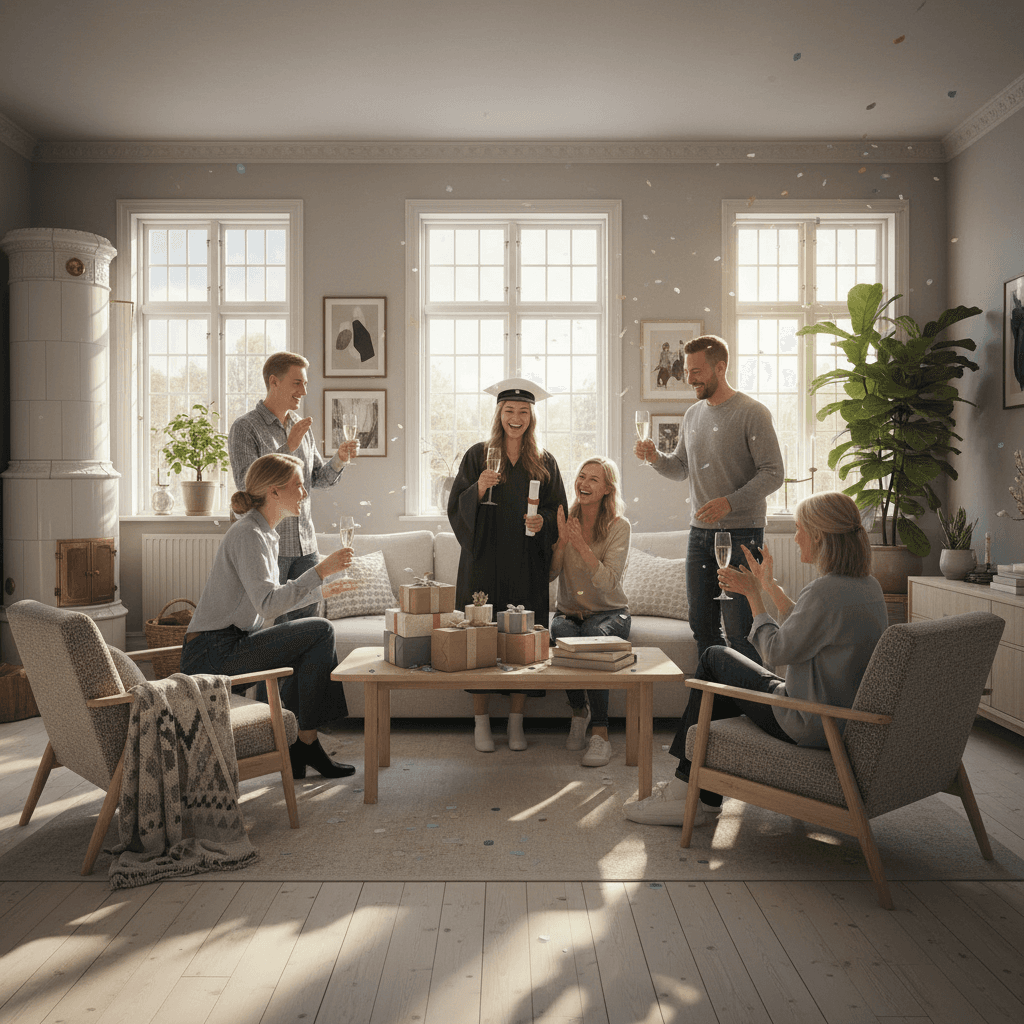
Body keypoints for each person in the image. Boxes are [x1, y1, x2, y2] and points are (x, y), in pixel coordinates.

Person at [623, 491, 888, 827]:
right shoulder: (867, 587)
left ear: (819, 537)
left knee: (714, 657)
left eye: (799, 529)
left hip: (808, 720)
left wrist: (752, 597)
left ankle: (687, 792)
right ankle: (694, 792)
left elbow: (776, 651)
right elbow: (809, 627)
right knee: (721, 672)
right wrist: (768, 586)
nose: (795, 537)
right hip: (835, 715)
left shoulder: (824, 592)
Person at [180, 452, 357, 780]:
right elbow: (269, 605)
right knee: (320, 630)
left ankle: (300, 743)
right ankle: (304, 744)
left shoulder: (262, 533)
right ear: (274, 491)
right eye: (299, 485)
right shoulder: (249, 534)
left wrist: (322, 590)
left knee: (311, 637)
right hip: (212, 654)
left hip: (227, 644)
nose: (304, 493)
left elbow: (267, 602)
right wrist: (320, 571)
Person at [634, 334, 783, 665]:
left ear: (721, 366)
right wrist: (655, 458)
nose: (689, 378)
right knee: (702, 629)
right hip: (699, 536)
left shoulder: (753, 413)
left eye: (697, 371)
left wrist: (729, 503)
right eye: (687, 371)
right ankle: (713, 707)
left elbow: (774, 473)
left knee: (741, 632)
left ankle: (755, 708)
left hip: (742, 534)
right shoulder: (692, 415)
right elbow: (680, 469)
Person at [448, 377, 567, 752]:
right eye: (509, 411)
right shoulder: (477, 455)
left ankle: (516, 722)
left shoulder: (544, 461)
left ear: (532, 417)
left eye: (524, 412)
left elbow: (557, 509)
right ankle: (480, 722)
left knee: (523, 641)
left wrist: (542, 521)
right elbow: (456, 507)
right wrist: (479, 488)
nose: (516, 418)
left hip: (525, 563)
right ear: (499, 414)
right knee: (480, 639)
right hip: (483, 562)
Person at [229, 352, 359, 622]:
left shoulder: (302, 428)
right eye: (297, 383)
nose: (304, 391)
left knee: (308, 629)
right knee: (274, 632)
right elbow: (246, 484)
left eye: (305, 383)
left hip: (306, 547)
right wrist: (286, 448)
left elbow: (318, 480)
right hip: (270, 546)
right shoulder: (245, 428)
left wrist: (340, 459)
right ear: (274, 382)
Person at [549, 457, 631, 768]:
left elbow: (610, 585)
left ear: (608, 488)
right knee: (563, 633)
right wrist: (560, 544)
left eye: (593, 479)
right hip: (570, 614)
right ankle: (578, 713)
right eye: (582, 476)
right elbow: (551, 574)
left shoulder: (618, 527)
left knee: (593, 637)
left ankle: (601, 732)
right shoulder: (566, 518)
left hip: (611, 614)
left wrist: (582, 546)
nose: (584, 483)